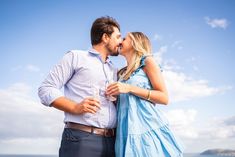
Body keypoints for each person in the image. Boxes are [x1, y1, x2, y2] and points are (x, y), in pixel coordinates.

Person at [38, 16, 122, 157]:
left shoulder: (114, 69)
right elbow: (46, 88)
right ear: (105, 37)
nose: (121, 42)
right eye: (118, 37)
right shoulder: (75, 57)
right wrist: (75, 107)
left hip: (112, 142)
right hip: (82, 140)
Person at [106, 32, 184, 157]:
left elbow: (164, 98)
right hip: (124, 130)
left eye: (125, 38)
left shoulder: (147, 62)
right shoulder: (121, 72)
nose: (120, 41)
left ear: (135, 42)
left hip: (146, 126)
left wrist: (129, 88)